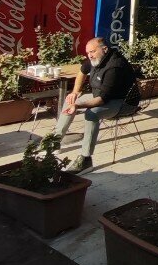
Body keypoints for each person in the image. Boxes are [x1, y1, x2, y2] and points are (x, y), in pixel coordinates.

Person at [54, 38, 140, 174]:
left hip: (123, 102)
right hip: (101, 97)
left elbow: (102, 100)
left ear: (104, 49)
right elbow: (82, 71)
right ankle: (54, 142)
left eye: (92, 52)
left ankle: (85, 159)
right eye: (88, 52)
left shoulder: (115, 66)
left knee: (91, 113)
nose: (90, 55)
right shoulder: (96, 58)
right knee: (70, 100)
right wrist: (75, 92)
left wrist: (78, 106)